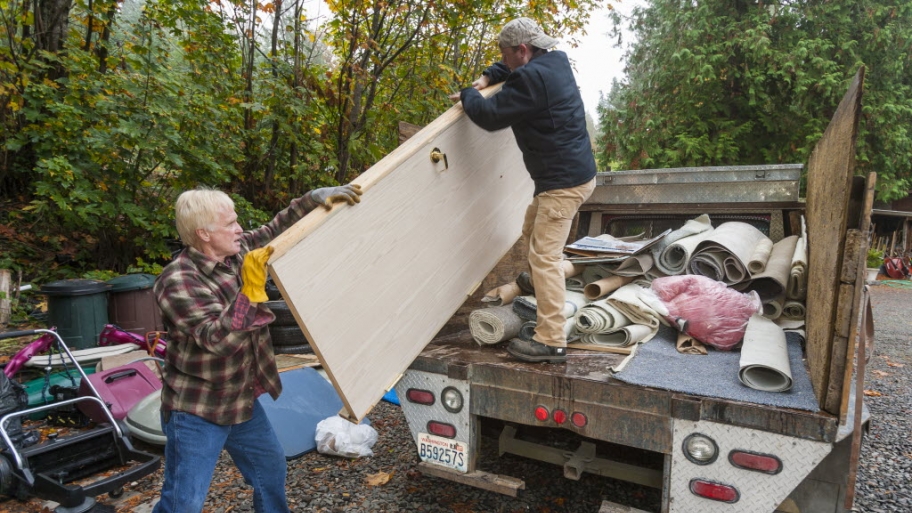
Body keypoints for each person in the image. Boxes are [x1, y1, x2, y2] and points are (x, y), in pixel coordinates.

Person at [152, 183, 362, 513]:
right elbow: (216, 340)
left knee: (270, 470)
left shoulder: (237, 253)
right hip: (197, 409)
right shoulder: (178, 280)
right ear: (204, 234)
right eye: (230, 224)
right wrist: (250, 292)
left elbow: (276, 229)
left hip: (241, 400)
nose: (240, 229)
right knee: (184, 501)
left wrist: (311, 200)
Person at [453, 17, 598, 364]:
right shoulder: (553, 61)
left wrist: (470, 94)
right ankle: (536, 282)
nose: (502, 60)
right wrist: (490, 75)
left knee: (545, 257)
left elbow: (489, 116)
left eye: (505, 54)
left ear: (522, 49)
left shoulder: (532, 78)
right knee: (530, 228)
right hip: (570, 178)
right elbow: (512, 72)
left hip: (561, 186)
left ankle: (551, 339)